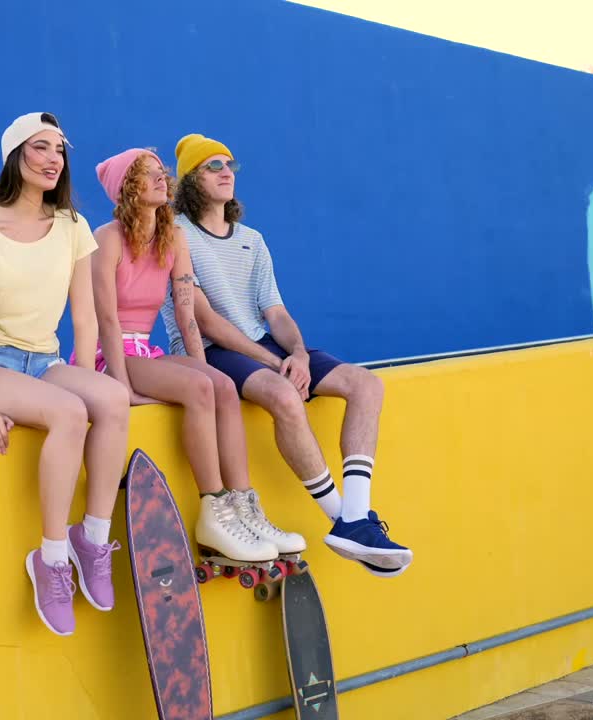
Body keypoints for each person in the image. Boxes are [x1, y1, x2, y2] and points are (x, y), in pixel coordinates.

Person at [159, 133, 413, 576]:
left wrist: (296, 351)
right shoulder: (177, 235)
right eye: (212, 166)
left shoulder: (253, 240)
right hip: (213, 350)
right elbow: (205, 320)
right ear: (190, 181)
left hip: (265, 344)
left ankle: (354, 516)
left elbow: (274, 311)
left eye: (229, 165)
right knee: (283, 395)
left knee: (366, 384)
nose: (225, 173)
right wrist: (276, 363)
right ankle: (345, 522)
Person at [0, 112, 131, 635]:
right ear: (15, 157)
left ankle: (92, 539)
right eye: (40, 148)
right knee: (70, 414)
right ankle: (51, 560)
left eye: (60, 150)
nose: (54, 159)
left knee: (110, 399)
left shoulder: (72, 227)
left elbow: (84, 317)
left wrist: (84, 378)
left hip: (43, 363)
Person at [81, 147, 303, 567]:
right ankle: (213, 509)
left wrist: (204, 367)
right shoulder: (105, 238)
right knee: (201, 386)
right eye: (146, 174)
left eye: (161, 172)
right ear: (126, 188)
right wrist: (121, 386)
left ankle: (245, 508)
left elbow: (187, 317)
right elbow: (106, 321)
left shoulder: (173, 237)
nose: (161, 179)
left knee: (219, 384)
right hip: (108, 354)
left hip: (147, 349)